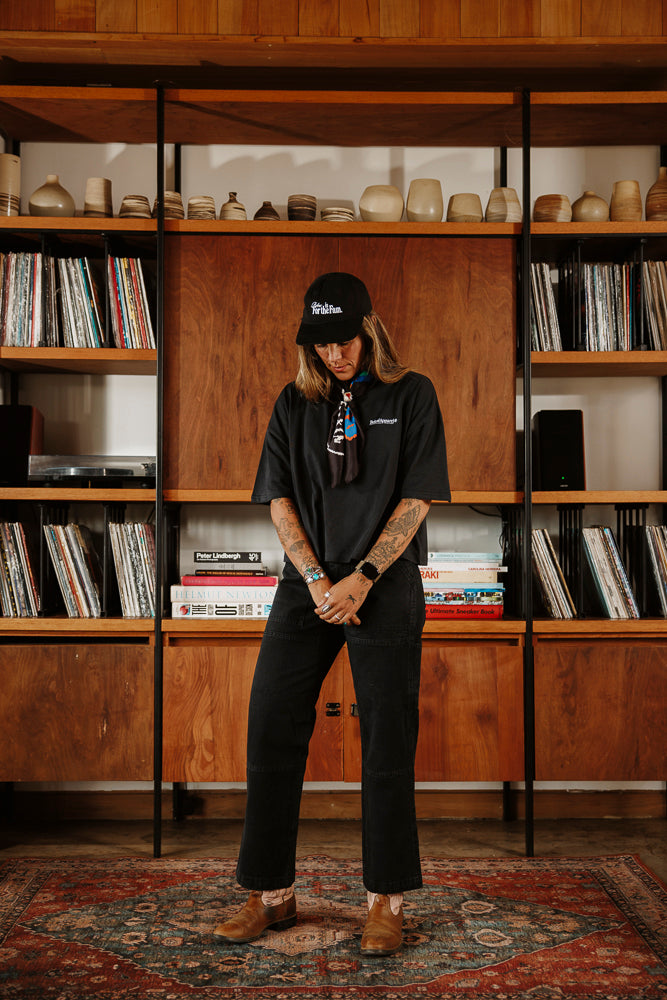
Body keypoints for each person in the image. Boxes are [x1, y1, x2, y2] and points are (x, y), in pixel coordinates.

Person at [214, 271, 450, 956]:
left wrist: (363, 577)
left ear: (367, 330)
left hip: (384, 584)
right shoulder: (293, 403)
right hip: (308, 585)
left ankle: (385, 902)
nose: (334, 354)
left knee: (385, 741)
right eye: (321, 344)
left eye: (344, 340)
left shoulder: (413, 394)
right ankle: (270, 895)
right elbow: (278, 498)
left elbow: (417, 497)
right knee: (270, 725)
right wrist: (319, 579)